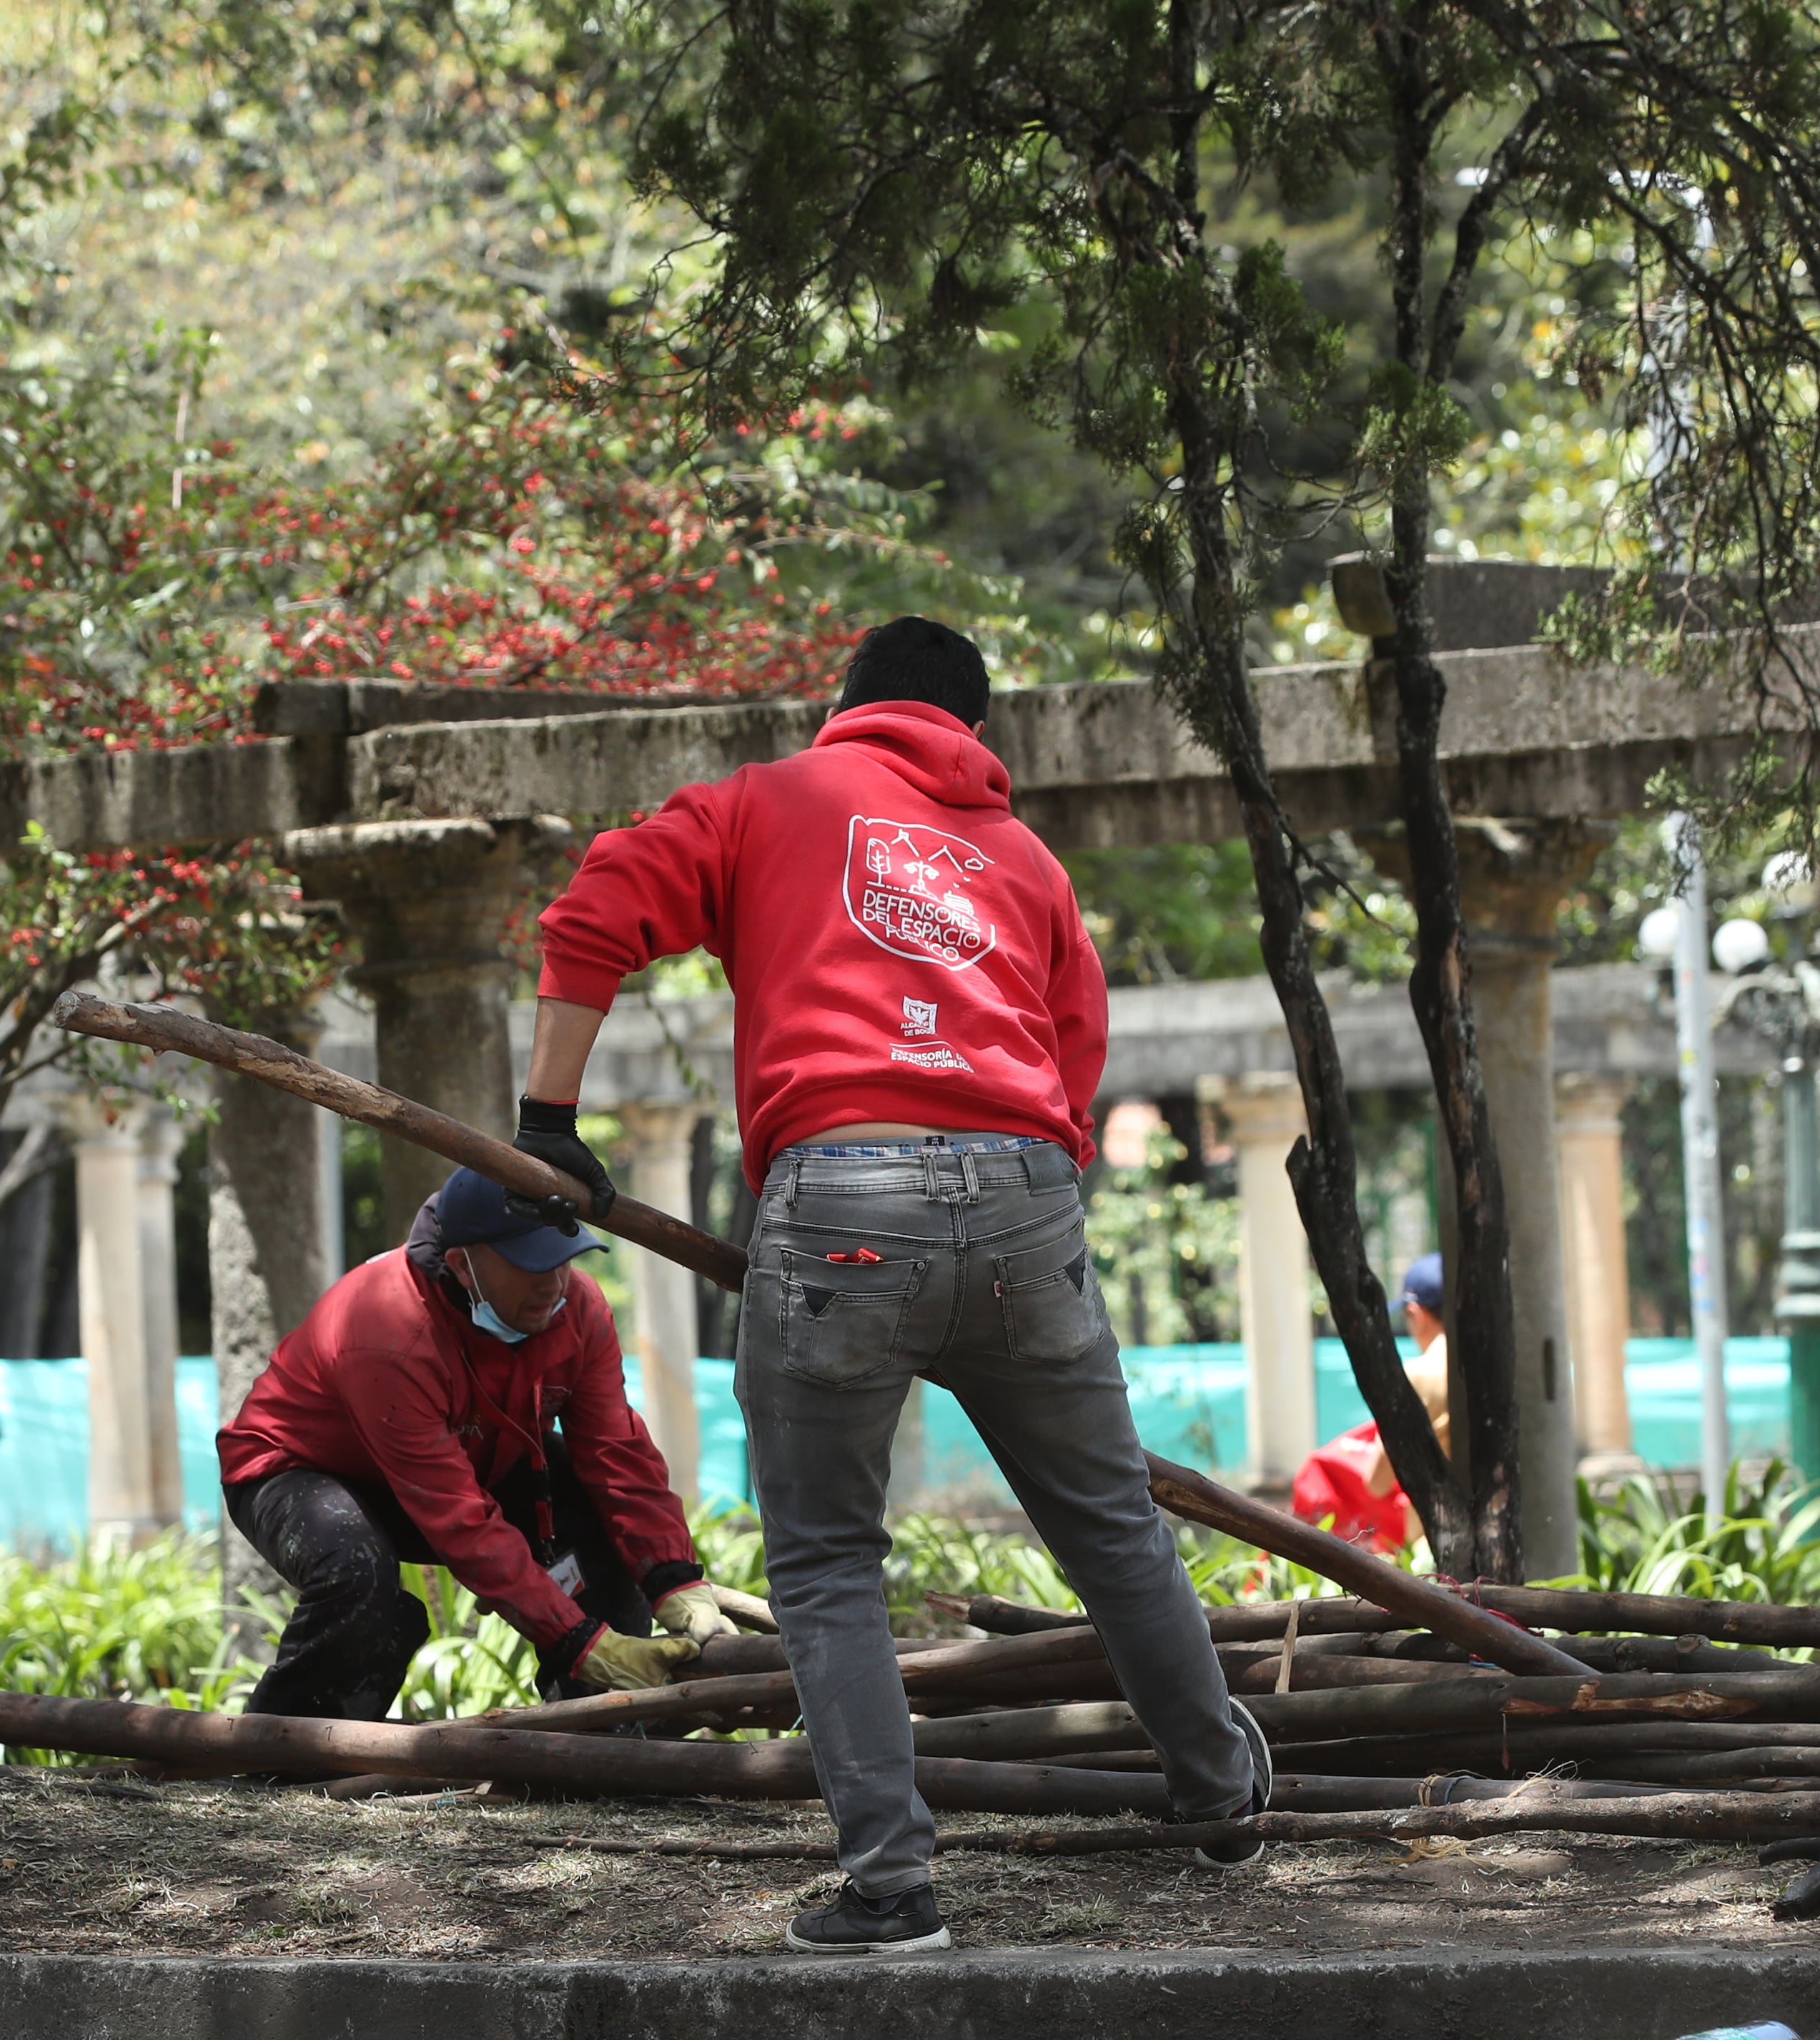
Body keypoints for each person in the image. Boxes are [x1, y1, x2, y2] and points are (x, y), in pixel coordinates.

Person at [519, 614, 1271, 1953]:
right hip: (1027, 1197)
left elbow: (596, 908)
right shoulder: (1025, 859)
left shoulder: (769, 802)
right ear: (972, 734)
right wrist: (1004, 1184)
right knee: (1111, 1527)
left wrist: (547, 1121)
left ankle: (892, 1888)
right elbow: (1073, 1047)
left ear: (845, 708)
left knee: (825, 1565)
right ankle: (1220, 1794)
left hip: (839, 1201)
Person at [218, 1167, 728, 1722]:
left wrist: (676, 1580)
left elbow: (617, 1455)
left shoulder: (577, 1308)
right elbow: (456, 1515)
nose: (554, 1284)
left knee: (587, 1504)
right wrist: (579, 1640)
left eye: (564, 1258)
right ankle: (286, 1749)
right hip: (295, 1470)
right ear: (463, 1264)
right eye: (531, 1264)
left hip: (470, 1460)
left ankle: (606, 1724)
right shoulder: (388, 1331)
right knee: (356, 1567)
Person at [1290, 1254, 1453, 1549]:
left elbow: (1376, 1483)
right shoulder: (1495, 1369)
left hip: (1439, 1547)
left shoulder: (1419, 1376)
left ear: (1416, 1313)